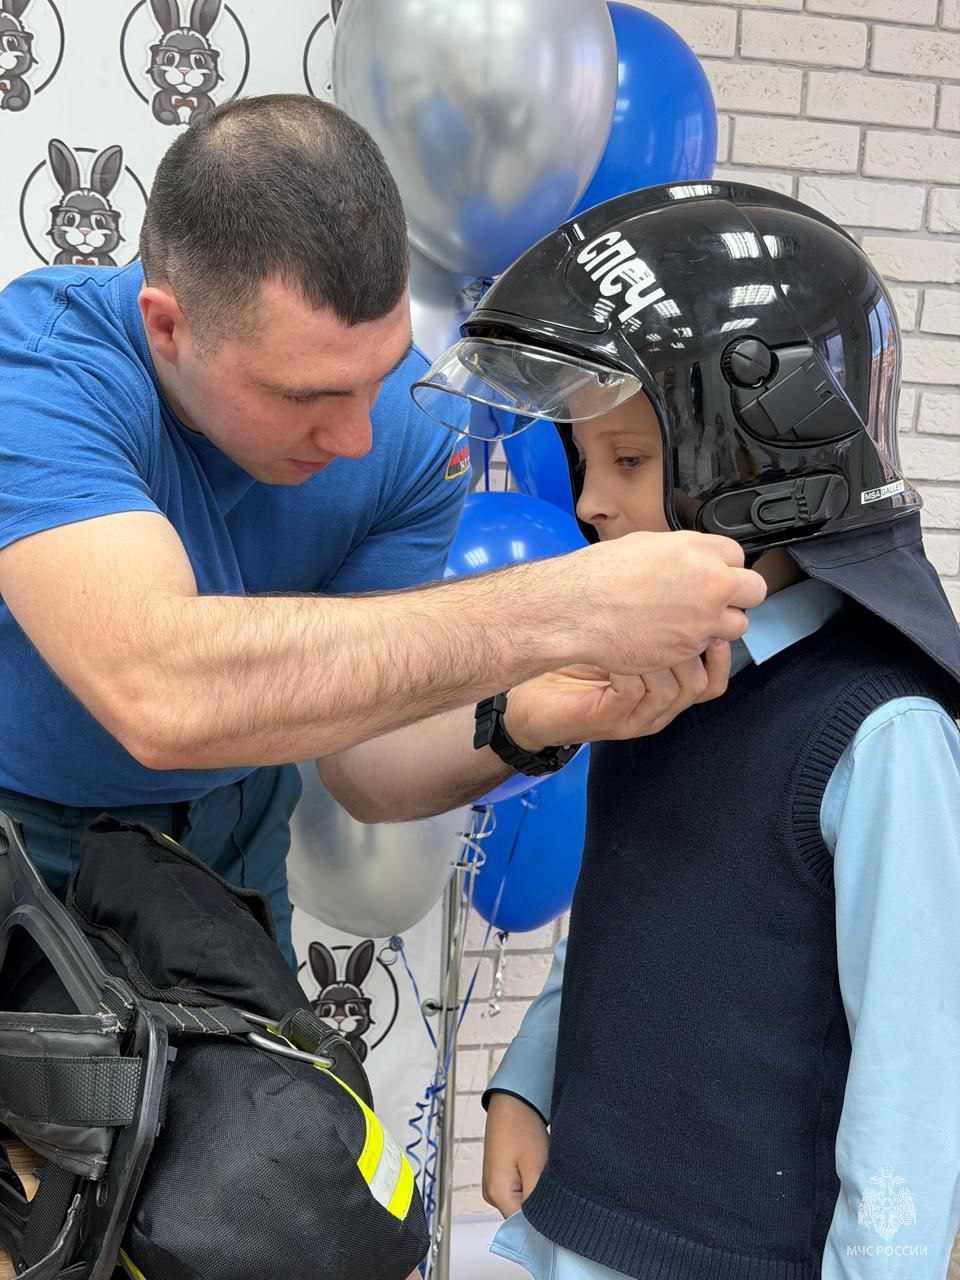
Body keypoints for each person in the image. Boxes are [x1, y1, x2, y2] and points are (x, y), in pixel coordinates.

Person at [0, 95, 765, 962]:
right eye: (306, 396)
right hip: (17, 832)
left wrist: (523, 721)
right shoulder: (43, 370)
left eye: (379, 373)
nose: (358, 437)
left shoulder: (406, 425)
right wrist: (564, 607)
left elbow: (363, 766)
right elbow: (160, 690)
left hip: (227, 841)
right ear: (168, 326)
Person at [412, 184, 960, 1277]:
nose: (589, 506)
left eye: (627, 461)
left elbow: (915, 1065)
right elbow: (625, 906)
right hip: (587, 1217)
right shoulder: (668, 678)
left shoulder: (882, 733)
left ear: (762, 466)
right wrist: (528, 1069)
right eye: (585, 464)